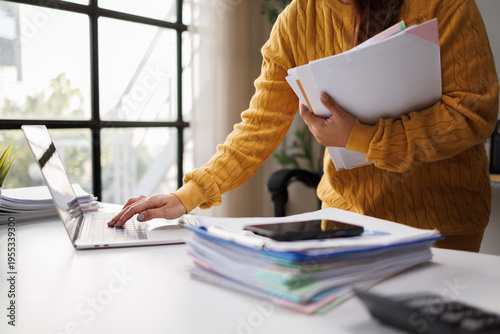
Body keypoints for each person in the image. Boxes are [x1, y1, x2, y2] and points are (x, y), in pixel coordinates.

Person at [108, 0, 499, 252]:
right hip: (348, 219)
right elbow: (259, 126)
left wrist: (360, 137)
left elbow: (474, 112)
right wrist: (189, 194)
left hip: (444, 223)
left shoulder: (444, 4)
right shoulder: (296, 20)